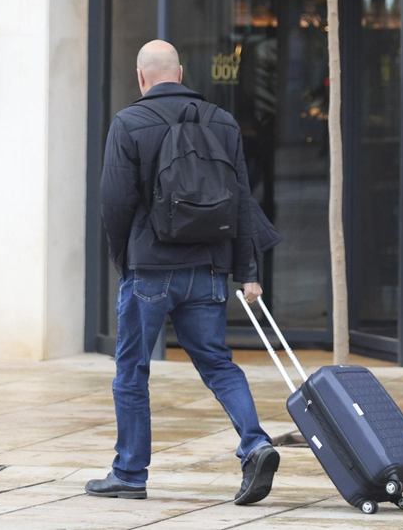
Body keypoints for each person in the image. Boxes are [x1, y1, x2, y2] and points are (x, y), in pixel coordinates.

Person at [89, 40, 281, 505]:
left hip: (150, 269)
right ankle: (255, 443)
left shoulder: (129, 123)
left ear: (141, 77)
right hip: (208, 268)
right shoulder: (222, 121)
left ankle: (130, 473)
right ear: (181, 71)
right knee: (217, 363)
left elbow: (115, 205)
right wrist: (244, 269)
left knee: (131, 370)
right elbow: (240, 200)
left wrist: (124, 260)